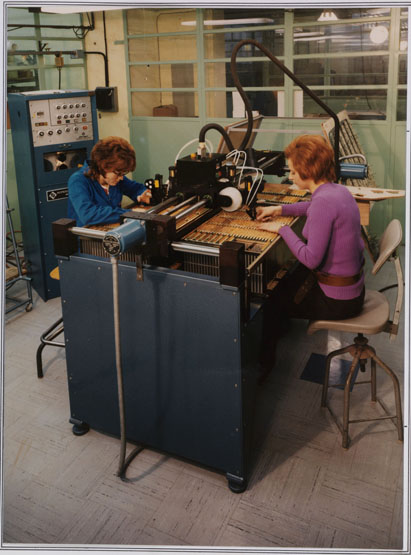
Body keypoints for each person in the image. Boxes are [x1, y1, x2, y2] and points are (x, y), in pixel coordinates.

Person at [255, 134, 365, 379]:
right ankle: (281, 328)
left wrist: (282, 229)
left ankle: (264, 366)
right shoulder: (337, 191)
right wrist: (279, 209)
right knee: (289, 277)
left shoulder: (324, 201)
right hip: (353, 289)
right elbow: (311, 206)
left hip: (339, 301)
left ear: (308, 171)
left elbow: (311, 259)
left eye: (294, 172)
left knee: (271, 299)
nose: (291, 175)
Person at [67, 136, 152, 227]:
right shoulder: (78, 181)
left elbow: (135, 188)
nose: (121, 178)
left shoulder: (115, 179)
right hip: (87, 236)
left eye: (123, 174)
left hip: (112, 231)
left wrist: (142, 195)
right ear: (103, 166)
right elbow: (88, 214)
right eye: (119, 174)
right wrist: (130, 213)